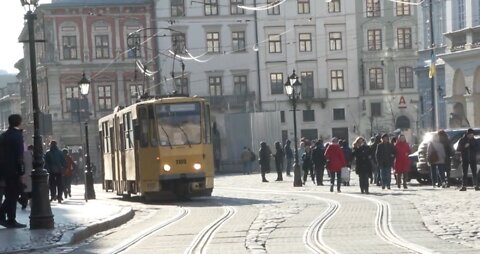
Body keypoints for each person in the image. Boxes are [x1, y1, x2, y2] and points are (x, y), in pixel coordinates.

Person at [0, 114, 26, 228]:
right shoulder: (17, 135)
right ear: (19, 122)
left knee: (11, 194)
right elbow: (20, 155)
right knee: (13, 194)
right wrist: (21, 172)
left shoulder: (4, 135)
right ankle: (8, 217)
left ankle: (10, 218)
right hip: (14, 169)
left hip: (3, 169)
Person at [19, 144, 33, 210]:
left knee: (24, 191)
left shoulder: (24, 154)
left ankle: (24, 203)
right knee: (30, 191)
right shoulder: (34, 155)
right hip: (32, 175)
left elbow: (21, 163)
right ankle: (30, 204)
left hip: (25, 175)